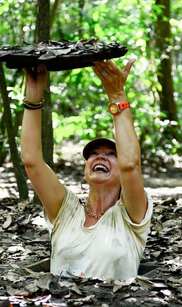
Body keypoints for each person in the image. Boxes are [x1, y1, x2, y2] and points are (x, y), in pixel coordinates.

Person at [20, 59, 153, 280]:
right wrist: (33, 97)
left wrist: (118, 95)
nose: (101, 156)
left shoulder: (131, 214)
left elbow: (131, 165)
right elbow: (32, 161)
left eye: (112, 154)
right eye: (94, 154)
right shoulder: (65, 211)